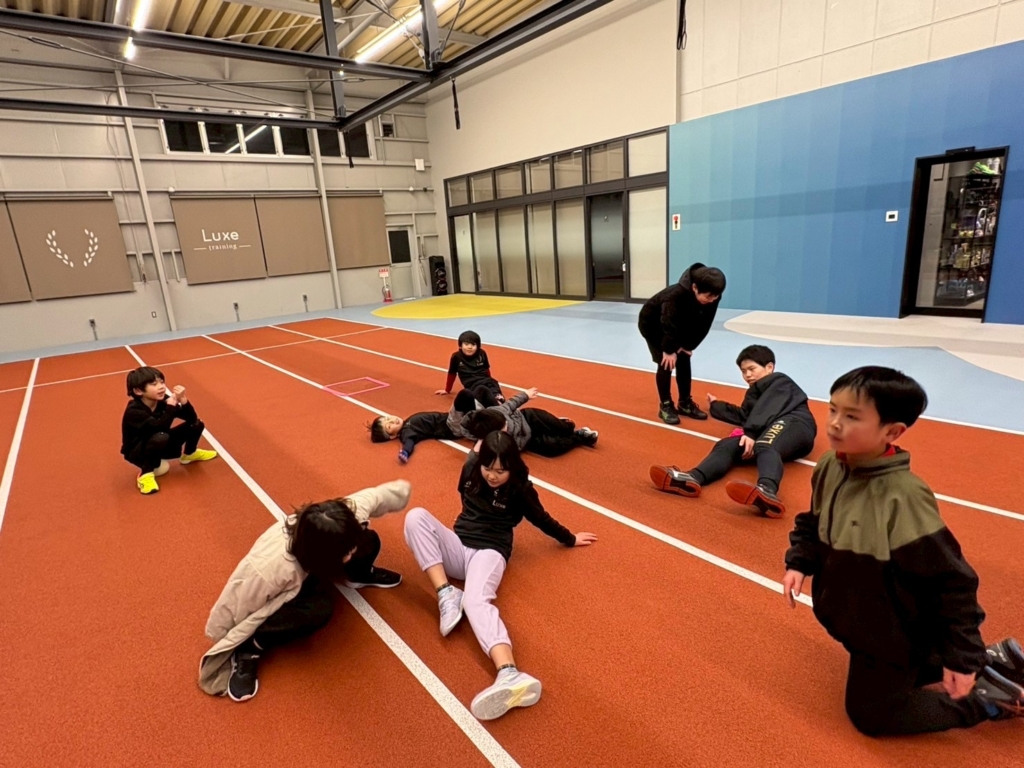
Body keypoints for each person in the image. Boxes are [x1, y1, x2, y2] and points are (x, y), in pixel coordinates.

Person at [782, 366, 1023, 735]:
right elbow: (814, 521)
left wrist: (961, 657)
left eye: (852, 416)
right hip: (870, 623)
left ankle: (989, 699)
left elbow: (951, 581)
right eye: (832, 409)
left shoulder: (904, 497)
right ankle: (992, 661)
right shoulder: (832, 465)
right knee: (888, 668)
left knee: (872, 716)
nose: (834, 423)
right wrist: (799, 562)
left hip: (900, 630)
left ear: (892, 432)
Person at [403, 432, 596, 720]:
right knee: (415, 517)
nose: (492, 476)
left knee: (475, 602)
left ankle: (509, 672)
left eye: (500, 470)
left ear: (512, 467)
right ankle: (446, 592)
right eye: (488, 468)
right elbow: (466, 491)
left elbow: (541, 518)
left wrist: (569, 538)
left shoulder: (520, 488)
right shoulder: (471, 468)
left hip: (490, 552)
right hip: (459, 546)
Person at [199, 480, 409, 702]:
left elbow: (377, 496)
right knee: (319, 609)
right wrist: (228, 640)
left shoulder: (344, 515)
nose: (352, 552)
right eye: (346, 551)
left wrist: (402, 493)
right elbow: (233, 603)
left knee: (368, 540)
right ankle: (252, 647)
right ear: (322, 555)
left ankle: (359, 574)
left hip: (316, 557)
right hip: (294, 575)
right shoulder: (269, 569)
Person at [649, 345, 816, 517]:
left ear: (769, 367)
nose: (747, 375)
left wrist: (750, 433)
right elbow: (744, 415)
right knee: (727, 445)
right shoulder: (753, 394)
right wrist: (716, 405)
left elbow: (768, 408)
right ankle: (692, 478)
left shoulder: (780, 381)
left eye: (752, 369)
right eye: (743, 371)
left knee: (765, 444)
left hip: (796, 424)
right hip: (768, 432)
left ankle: (767, 490)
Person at [637, 263, 726, 424]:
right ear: (694, 287)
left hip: (680, 324)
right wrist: (669, 350)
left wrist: (688, 345)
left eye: (715, 297)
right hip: (653, 325)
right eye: (708, 297)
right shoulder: (675, 296)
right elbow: (667, 323)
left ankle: (684, 403)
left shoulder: (713, 295)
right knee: (666, 363)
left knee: (684, 359)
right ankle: (665, 405)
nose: (712, 300)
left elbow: (704, 323)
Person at [120, 366, 218, 495]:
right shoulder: (134, 411)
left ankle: (189, 454)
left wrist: (183, 400)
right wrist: (171, 407)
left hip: (159, 442)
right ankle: (145, 475)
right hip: (138, 451)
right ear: (138, 391)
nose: (161, 387)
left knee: (196, 424)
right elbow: (160, 428)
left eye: (162, 382)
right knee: (161, 437)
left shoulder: (161, 401)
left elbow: (191, 418)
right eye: (154, 384)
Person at [369, 388, 498, 463]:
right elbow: (409, 441)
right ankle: (479, 428)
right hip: (451, 426)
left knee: (481, 390)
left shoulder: (408, 421)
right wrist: (405, 452)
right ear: (392, 436)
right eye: (389, 426)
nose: (392, 421)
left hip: (452, 418)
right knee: (465, 395)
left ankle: (500, 414)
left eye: (388, 418)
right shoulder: (406, 431)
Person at [462, 388, 598, 457]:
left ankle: (564, 424)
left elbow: (512, 403)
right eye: (503, 427)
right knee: (552, 449)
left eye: (505, 423)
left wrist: (526, 394)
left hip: (527, 418)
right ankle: (581, 436)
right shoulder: (494, 444)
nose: (506, 425)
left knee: (564, 428)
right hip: (529, 439)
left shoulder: (498, 412)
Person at [435, 330, 504, 403]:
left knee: (493, 384)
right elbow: (452, 374)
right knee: (481, 391)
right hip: (471, 383)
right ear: (460, 346)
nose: (470, 347)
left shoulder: (482, 353)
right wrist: (447, 389)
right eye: (466, 344)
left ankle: (498, 399)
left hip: (484, 379)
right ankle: (493, 402)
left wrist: (489, 380)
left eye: (473, 345)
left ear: (478, 346)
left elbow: (486, 369)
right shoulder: (456, 357)